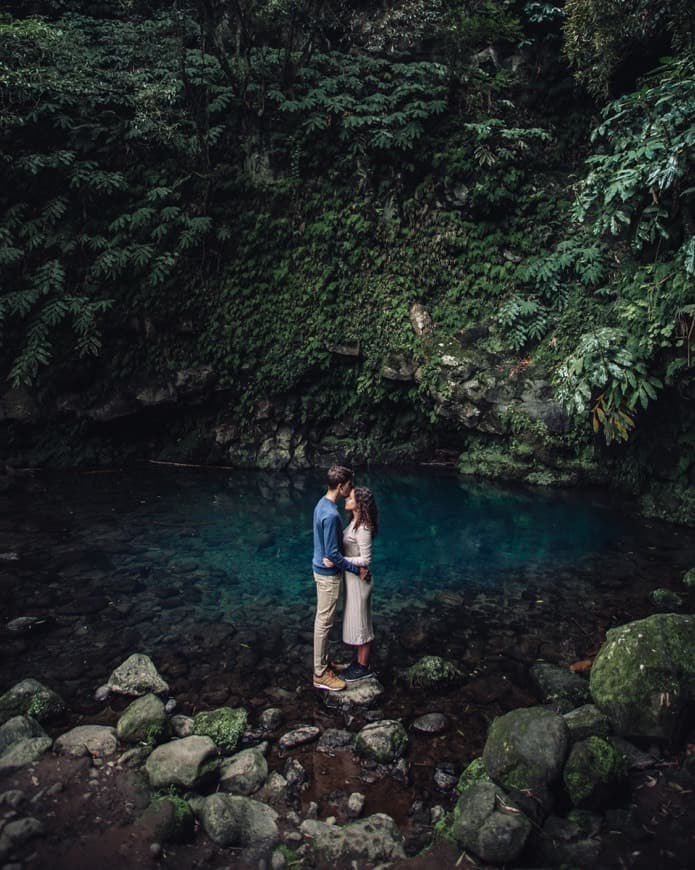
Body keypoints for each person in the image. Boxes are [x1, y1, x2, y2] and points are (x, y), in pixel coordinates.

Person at [311, 465, 368, 691]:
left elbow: (329, 551)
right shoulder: (333, 514)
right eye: (349, 485)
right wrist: (357, 570)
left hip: (320, 569)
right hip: (327, 576)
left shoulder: (322, 504)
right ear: (341, 486)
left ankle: (324, 664)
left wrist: (331, 556)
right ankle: (320, 673)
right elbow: (332, 554)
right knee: (324, 623)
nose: (351, 489)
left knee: (323, 621)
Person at [324, 485, 378, 682]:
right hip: (353, 579)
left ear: (359, 504)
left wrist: (339, 561)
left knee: (362, 622)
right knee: (355, 621)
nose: (346, 499)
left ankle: (363, 667)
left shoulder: (363, 528)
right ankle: (357, 663)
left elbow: (366, 559)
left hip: (359, 582)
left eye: (351, 498)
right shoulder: (354, 522)